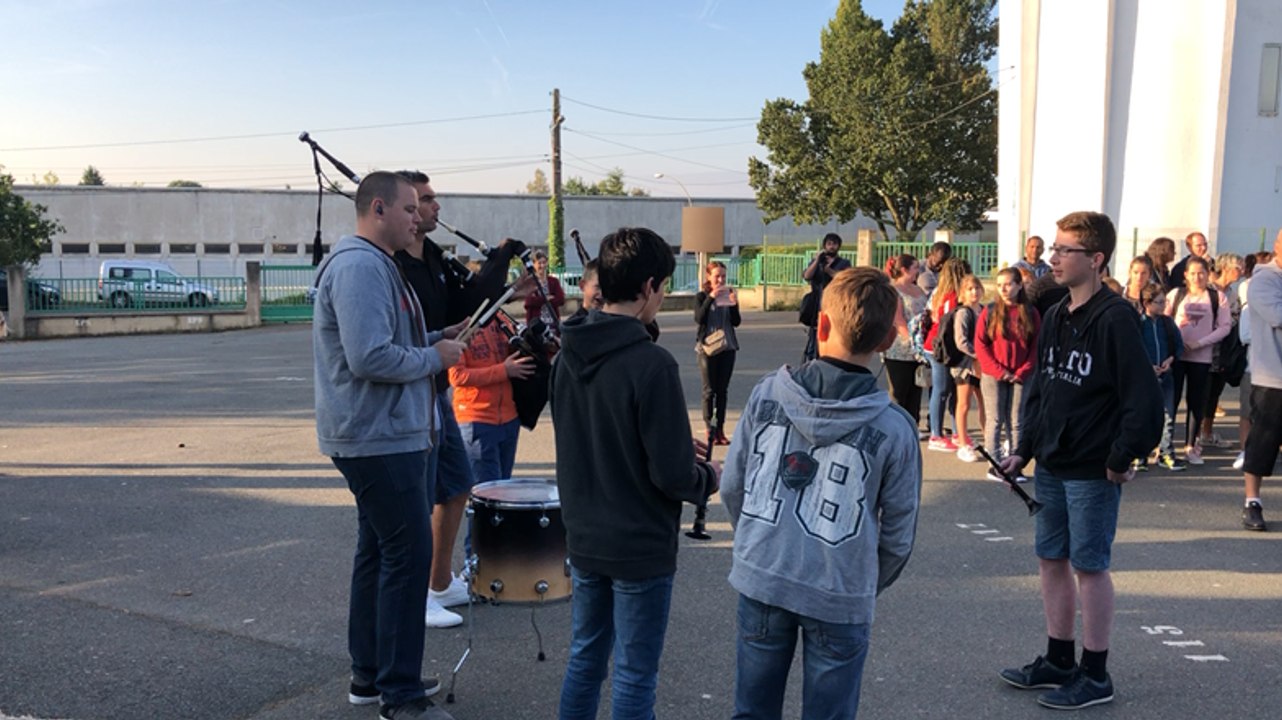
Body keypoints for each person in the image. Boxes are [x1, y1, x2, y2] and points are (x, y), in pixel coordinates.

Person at [720, 266, 920, 720]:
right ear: (888, 341)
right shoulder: (894, 427)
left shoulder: (768, 393)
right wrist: (866, 580)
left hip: (764, 572)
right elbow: (899, 535)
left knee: (752, 709)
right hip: (840, 588)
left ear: (821, 324)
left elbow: (733, 486)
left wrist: (756, 541)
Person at [313, 171, 466, 720]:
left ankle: (370, 677)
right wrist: (434, 359)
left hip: (383, 435)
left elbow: (389, 343)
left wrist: (436, 340)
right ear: (378, 208)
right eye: (409, 209)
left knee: (380, 552)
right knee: (407, 557)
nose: (419, 218)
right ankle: (400, 696)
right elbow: (369, 357)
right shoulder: (360, 267)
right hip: (379, 438)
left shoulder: (375, 265)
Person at [551, 227, 720, 720]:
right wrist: (706, 478)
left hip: (583, 533)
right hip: (639, 541)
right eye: (664, 287)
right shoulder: (652, 364)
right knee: (634, 671)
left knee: (585, 658)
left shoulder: (565, 354)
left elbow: (585, 434)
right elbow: (671, 474)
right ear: (649, 287)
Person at [997, 211, 1163, 711]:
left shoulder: (1115, 319)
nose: (1052, 258)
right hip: (1050, 462)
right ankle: (1059, 659)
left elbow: (1144, 399)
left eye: (1064, 250)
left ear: (1095, 259)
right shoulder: (1055, 315)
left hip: (1093, 467)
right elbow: (1042, 391)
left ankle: (1095, 673)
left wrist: (1121, 455)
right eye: (1053, 248)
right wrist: (1023, 450)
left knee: (1090, 566)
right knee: (1051, 559)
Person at [392, 170, 476, 630]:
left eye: (423, 202)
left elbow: (433, 322)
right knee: (416, 503)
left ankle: (439, 581)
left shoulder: (432, 259)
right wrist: (431, 350)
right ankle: (418, 595)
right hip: (412, 401)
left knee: (457, 483)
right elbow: (372, 354)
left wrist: (441, 336)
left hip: (437, 392)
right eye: (420, 202)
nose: (431, 208)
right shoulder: (385, 266)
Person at [449, 304, 535, 484]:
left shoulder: (499, 317)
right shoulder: (459, 321)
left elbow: (521, 353)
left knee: (504, 491)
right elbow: (457, 376)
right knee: (487, 494)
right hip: (477, 419)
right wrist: (503, 370)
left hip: (509, 419)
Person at [1166, 256, 1232, 465]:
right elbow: (1164, 320)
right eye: (1193, 273)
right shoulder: (1176, 294)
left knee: (1196, 402)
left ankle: (1191, 446)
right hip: (1176, 356)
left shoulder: (1216, 297)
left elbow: (1224, 327)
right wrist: (1175, 343)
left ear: (1208, 274)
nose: (1197, 277)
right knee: (1171, 401)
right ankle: (1164, 446)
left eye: (1201, 273)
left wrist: (1201, 343)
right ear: (1185, 275)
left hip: (1201, 357)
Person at [975, 267, 1040, 475]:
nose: (1004, 289)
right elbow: (981, 345)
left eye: (1009, 284)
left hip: (1022, 374)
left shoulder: (1030, 312)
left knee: (1017, 420)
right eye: (1000, 284)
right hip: (993, 374)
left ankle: (1015, 466)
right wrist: (999, 371)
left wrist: (1022, 371)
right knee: (995, 419)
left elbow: (1036, 346)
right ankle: (995, 465)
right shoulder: (990, 311)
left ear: (1019, 285)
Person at [1240, 232, 1282, 531]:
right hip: (1273, 377)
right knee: (1262, 443)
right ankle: (1252, 502)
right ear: (1278, 246)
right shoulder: (1264, 280)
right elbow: (1277, 315)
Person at [1137, 283, 1185, 471]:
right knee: (1142, 415)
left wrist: (1170, 359)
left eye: (1164, 301)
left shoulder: (1167, 323)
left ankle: (1166, 453)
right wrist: (1147, 366)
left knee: (1168, 415)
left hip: (1166, 375)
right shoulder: (1139, 323)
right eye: (1158, 302)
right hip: (1145, 377)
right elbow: (1133, 348)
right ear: (1147, 303)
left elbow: (1179, 345)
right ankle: (1139, 454)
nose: (1163, 306)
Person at [1199, 253, 1245, 449]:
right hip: (1204, 346)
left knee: (1215, 390)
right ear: (1225, 268)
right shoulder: (1207, 290)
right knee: (1201, 390)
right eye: (1238, 268)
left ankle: (1207, 432)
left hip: (1225, 349)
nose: (1241, 272)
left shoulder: (1234, 294)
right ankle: (1194, 434)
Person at [923, 257, 968, 451]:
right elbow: (947, 323)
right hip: (941, 348)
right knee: (942, 390)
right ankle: (936, 435)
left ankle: (955, 431)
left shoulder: (938, 293)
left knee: (948, 390)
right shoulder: (951, 296)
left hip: (937, 346)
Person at [695, 260, 741, 444]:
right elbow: (699, 318)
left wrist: (735, 305)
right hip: (707, 348)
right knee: (709, 391)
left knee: (722, 391)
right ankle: (709, 429)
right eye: (716, 276)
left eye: (723, 276)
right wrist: (711, 297)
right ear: (709, 277)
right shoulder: (701, 296)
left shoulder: (729, 294)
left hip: (728, 346)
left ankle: (720, 429)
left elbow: (736, 322)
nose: (720, 280)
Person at [884, 254, 929, 432]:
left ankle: (913, 427)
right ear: (904, 270)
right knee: (899, 391)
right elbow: (898, 320)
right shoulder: (894, 291)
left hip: (919, 349)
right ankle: (895, 429)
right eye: (915, 268)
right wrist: (912, 341)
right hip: (899, 349)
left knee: (915, 390)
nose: (918, 271)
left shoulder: (918, 290)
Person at [951, 274, 986, 463]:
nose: (974, 292)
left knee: (985, 404)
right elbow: (961, 341)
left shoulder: (985, 310)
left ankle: (989, 440)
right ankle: (963, 443)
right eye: (970, 289)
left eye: (977, 288)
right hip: (965, 365)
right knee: (963, 404)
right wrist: (978, 356)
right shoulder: (963, 313)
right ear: (963, 293)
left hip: (984, 365)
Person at [801, 233, 852, 361]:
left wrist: (829, 270)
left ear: (838, 246)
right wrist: (817, 261)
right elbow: (807, 276)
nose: (831, 247)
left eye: (834, 244)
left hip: (835, 303)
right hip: (816, 304)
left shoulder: (844, 263)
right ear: (825, 245)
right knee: (815, 336)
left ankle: (830, 356)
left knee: (832, 332)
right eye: (829, 244)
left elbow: (845, 279)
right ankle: (813, 359)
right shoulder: (816, 262)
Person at [524, 248, 566, 330]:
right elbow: (528, 302)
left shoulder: (553, 281)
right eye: (539, 263)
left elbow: (561, 300)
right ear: (534, 264)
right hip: (536, 324)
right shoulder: (530, 282)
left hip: (552, 322)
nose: (542, 266)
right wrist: (546, 298)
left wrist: (538, 300)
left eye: (544, 262)